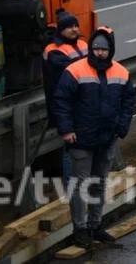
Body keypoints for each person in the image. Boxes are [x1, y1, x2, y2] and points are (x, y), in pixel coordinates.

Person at [52, 27, 135, 249]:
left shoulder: (121, 72)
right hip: (81, 138)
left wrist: (122, 128)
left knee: (99, 183)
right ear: (91, 48)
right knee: (79, 185)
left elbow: (128, 103)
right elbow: (61, 102)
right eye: (96, 48)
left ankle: (95, 226)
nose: (99, 53)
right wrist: (66, 130)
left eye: (104, 50)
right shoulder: (75, 70)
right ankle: (79, 230)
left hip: (107, 138)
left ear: (111, 51)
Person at [43, 10, 88, 179]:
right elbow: (65, 70)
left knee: (83, 147)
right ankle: (72, 188)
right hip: (67, 106)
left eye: (76, 25)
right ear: (61, 30)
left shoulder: (83, 44)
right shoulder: (53, 50)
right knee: (71, 148)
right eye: (69, 27)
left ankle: (82, 184)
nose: (74, 29)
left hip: (84, 103)